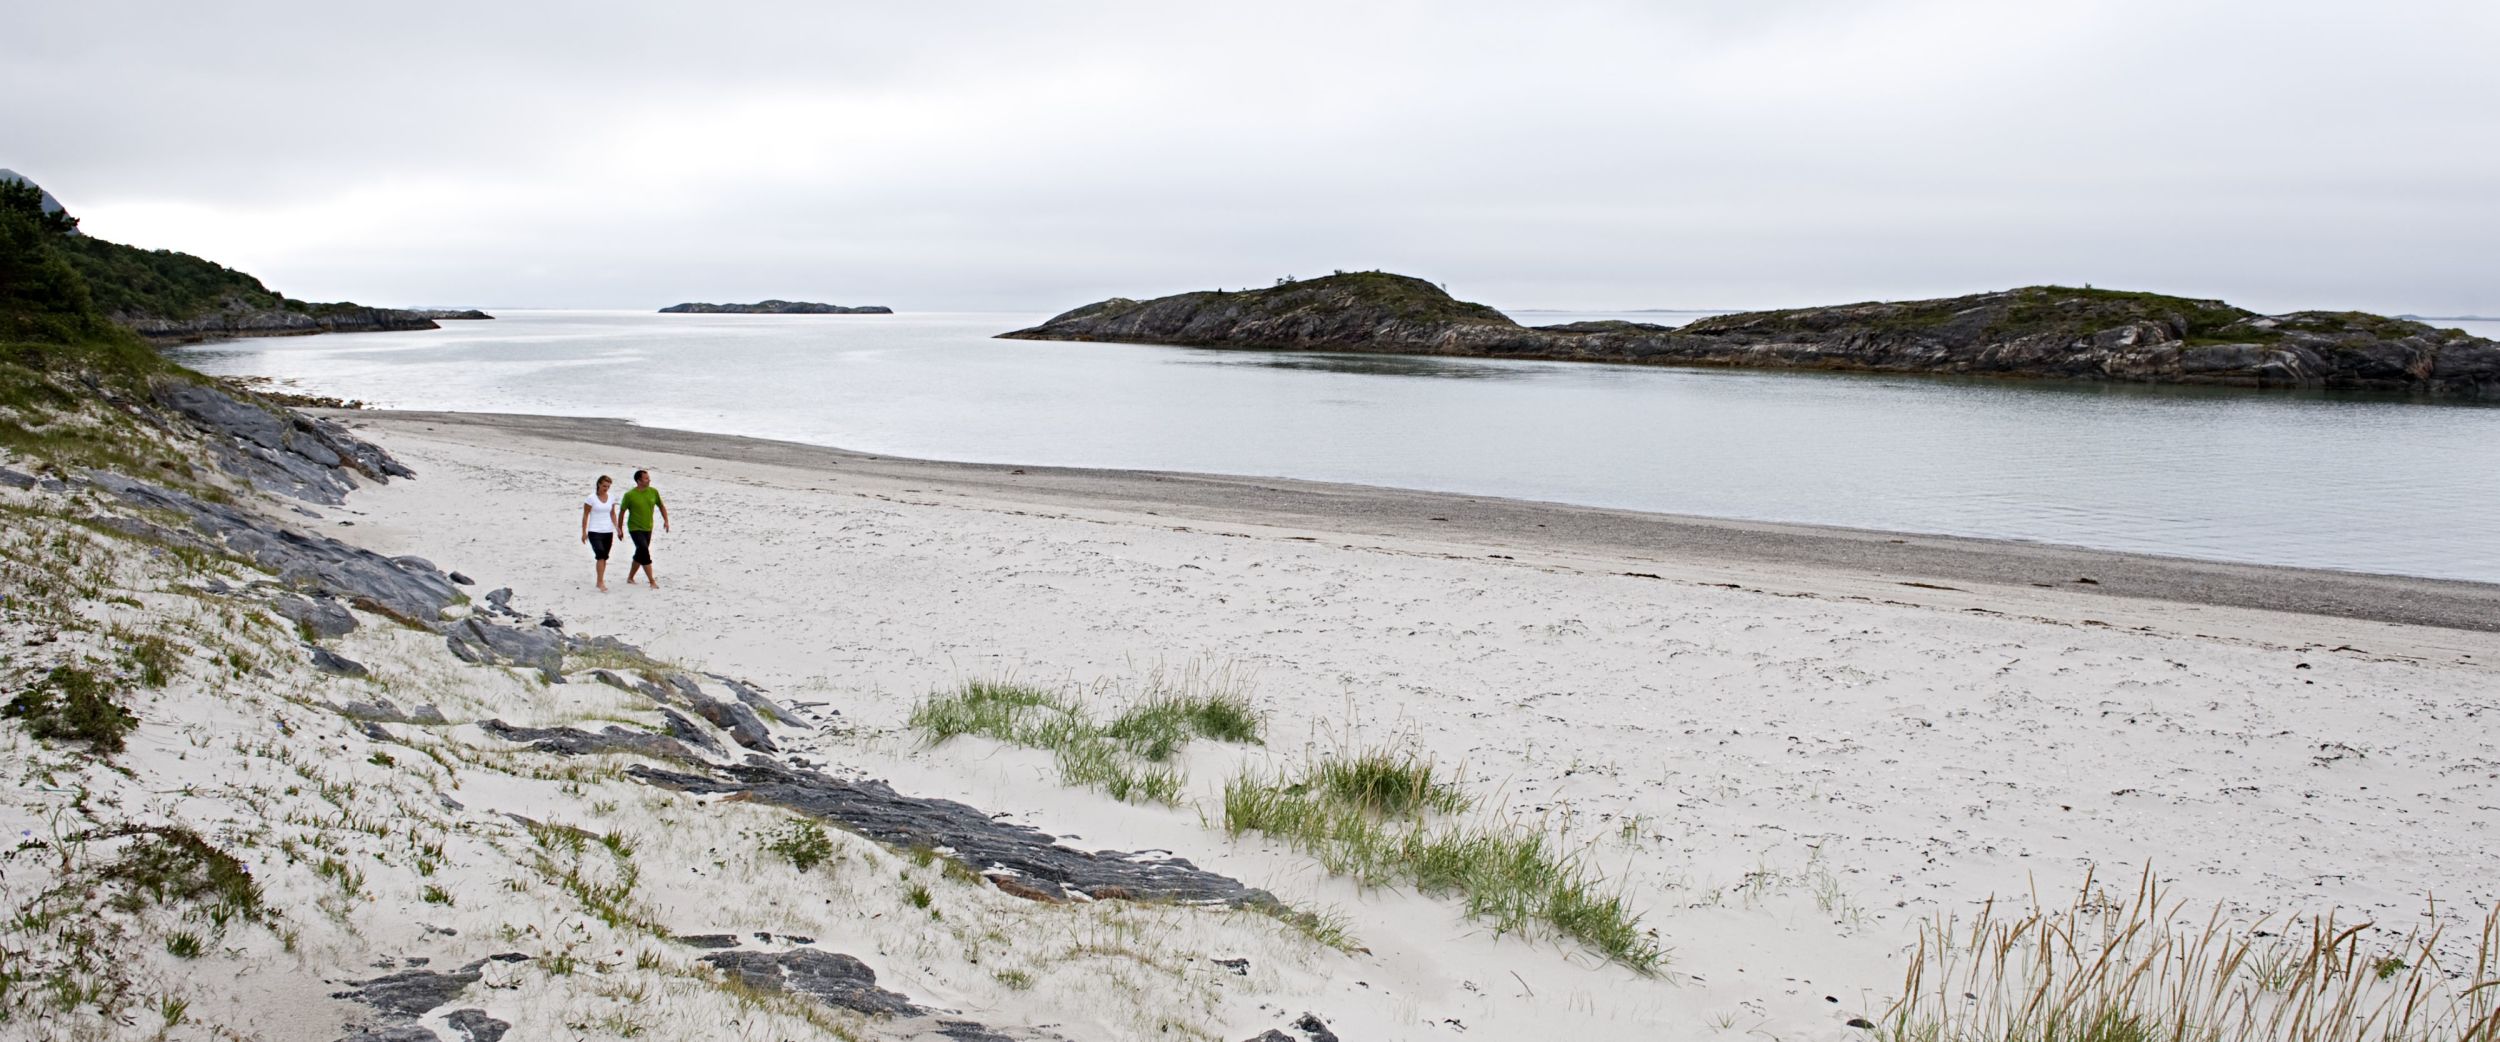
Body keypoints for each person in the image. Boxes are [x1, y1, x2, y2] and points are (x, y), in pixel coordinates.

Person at [618, 468, 671, 588]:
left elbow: (661, 506)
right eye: (646, 478)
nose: (649, 480)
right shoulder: (629, 495)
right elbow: (622, 512)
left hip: (648, 527)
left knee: (640, 552)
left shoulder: (653, 492)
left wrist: (666, 520)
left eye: (649, 478)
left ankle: (630, 577)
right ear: (639, 481)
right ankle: (652, 581)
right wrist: (619, 529)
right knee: (644, 550)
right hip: (634, 527)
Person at [579, 474, 621, 591]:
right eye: (604, 486)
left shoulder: (611, 497)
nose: (606, 488)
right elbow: (585, 515)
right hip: (594, 531)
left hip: (608, 531)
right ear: (598, 484)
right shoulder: (591, 498)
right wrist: (584, 532)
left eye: (608, 486)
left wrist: (617, 527)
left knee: (604, 557)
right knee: (600, 554)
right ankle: (600, 582)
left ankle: (600, 579)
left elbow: (612, 513)